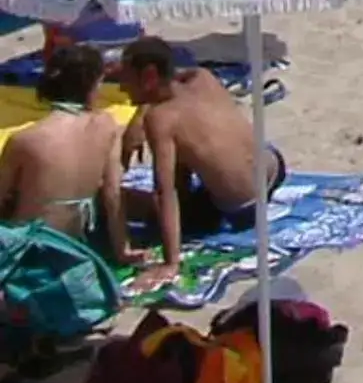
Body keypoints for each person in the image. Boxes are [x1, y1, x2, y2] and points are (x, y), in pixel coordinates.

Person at [114, 39, 277, 270]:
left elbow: (164, 193)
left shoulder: (161, 119)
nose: (122, 87)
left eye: (126, 79)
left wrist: (171, 263)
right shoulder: (203, 78)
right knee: (187, 147)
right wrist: (139, 116)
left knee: (122, 200)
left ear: (149, 77)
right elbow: (174, 78)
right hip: (274, 167)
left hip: (244, 206)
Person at [0, 44, 135, 262]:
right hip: (75, 244)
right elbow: (113, 194)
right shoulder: (107, 125)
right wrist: (123, 249)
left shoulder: (25, 140)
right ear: (94, 84)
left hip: (28, 249)